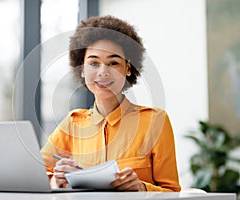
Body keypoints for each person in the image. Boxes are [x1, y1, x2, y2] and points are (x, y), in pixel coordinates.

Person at [40, 15, 181, 192]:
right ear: (82, 69)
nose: (103, 72)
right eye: (93, 63)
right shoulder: (73, 123)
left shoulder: (155, 121)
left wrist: (141, 187)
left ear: (128, 68)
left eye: (113, 63)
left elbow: (173, 192)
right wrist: (57, 180)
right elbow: (37, 176)